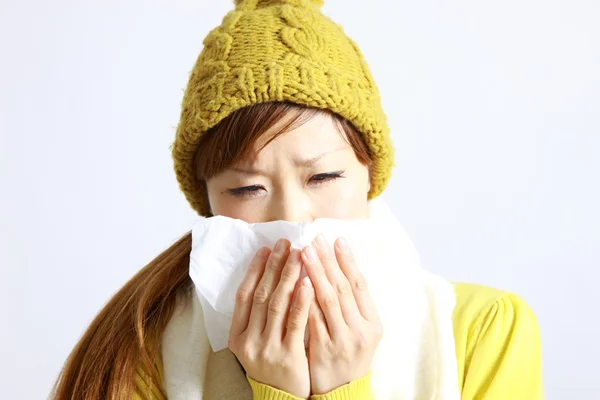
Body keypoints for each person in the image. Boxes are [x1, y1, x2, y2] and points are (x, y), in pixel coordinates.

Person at [50, 0, 543, 399]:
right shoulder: (143, 350)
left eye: (323, 176)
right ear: (207, 202)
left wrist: (340, 388)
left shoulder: (482, 332)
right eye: (247, 188)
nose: (292, 217)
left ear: (369, 176)